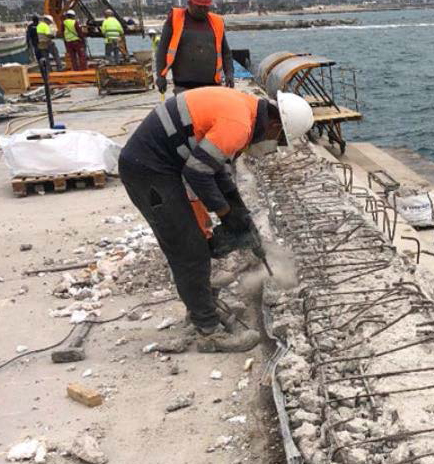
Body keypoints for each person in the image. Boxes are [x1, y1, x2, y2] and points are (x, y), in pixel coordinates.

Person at [118, 87, 314, 352]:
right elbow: (198, 173)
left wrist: (237, 209)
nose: (274, 147)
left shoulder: (244, 110)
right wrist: (225, 213)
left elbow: (216, 167)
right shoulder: (239, 124)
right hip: (149, 171)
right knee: (189, 250)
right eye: (279, 140)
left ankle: (202, 308)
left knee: (197, 240)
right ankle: (209, 332)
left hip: (160, 166)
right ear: (276, 124)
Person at [156, 0, 234, 96]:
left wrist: (229, 74)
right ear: (189, 3)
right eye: (199, 7)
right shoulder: (175, 19)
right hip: (184, 87)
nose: (203, 10)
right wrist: (160, 75)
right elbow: (162, 49)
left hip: (212, 86)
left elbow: (226, 53)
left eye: (205, 7)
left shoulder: (216, 22)